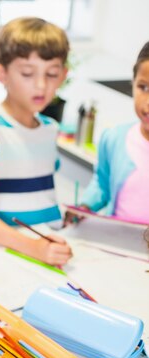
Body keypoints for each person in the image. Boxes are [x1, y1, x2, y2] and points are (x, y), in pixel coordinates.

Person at [0, 17, 74, 267]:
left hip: (44, 251)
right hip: (5, 254)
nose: (42, 85)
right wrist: (33, 248)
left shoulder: (49, 129)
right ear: (2, 73)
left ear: (64, 74)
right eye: (27, 73)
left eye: (52, 74)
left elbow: (38, 198)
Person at [69, 41, 149, 225]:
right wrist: (85, 207)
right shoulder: (114, 138)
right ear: (133, 83)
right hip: (115, 245)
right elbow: (102, 184)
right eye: (143, 87)